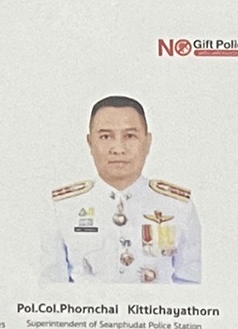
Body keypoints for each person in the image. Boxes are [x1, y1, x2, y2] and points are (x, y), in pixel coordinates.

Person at [45, 96, 201, 285]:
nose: (118, 149)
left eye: (130, 136)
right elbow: (50, 289)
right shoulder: (64, 207)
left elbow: (192, 287)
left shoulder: (177, 206)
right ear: (90, 142)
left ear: (147, 142)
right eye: (105, 137)